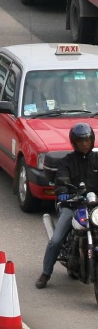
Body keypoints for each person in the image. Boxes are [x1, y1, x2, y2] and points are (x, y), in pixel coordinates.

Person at [35, 123, 98, 289]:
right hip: (73, 205)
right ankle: (45, 274)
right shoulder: (66, 162)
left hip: (94, 207)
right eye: (80, 141)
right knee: (56, 240)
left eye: (87, 140)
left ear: (92, 140)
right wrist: (63, 191)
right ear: (74, 142)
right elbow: (61, 181)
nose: (84, 143)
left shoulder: (97, 160)